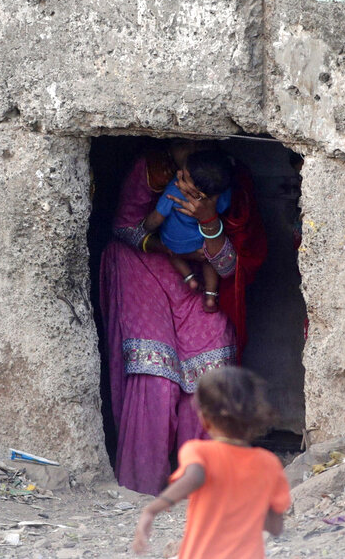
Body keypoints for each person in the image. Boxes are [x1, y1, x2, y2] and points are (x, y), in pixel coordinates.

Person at [100, 141, 267, 494]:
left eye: (197, 142)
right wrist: (173, 245)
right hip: (143, 264)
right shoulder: (152, 170)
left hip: (199, 275)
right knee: (155, 369)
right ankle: (142, 484)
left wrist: (208, 219)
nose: (189, 147)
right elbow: (125, 230)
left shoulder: (228, 182)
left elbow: (228, 267)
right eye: (181, 143)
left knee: (212, 361)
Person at [131, 366, 290, 559]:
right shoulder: (269, 463)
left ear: (204, 419)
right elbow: (275, 527)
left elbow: (196, 476)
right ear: (255, 418)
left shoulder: (198, 450)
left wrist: (151, 509)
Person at [142, 149, 234, 312]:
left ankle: (189, 278)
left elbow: (156, 218)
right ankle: (211, 297)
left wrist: (144, 227)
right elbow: (224, 207)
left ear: (198, 189)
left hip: (173, 243)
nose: (178, 173)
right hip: (202, 244)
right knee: (208, 261)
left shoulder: (174, 191)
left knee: (173, 255)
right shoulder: (220, 194)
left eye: (184, 176)